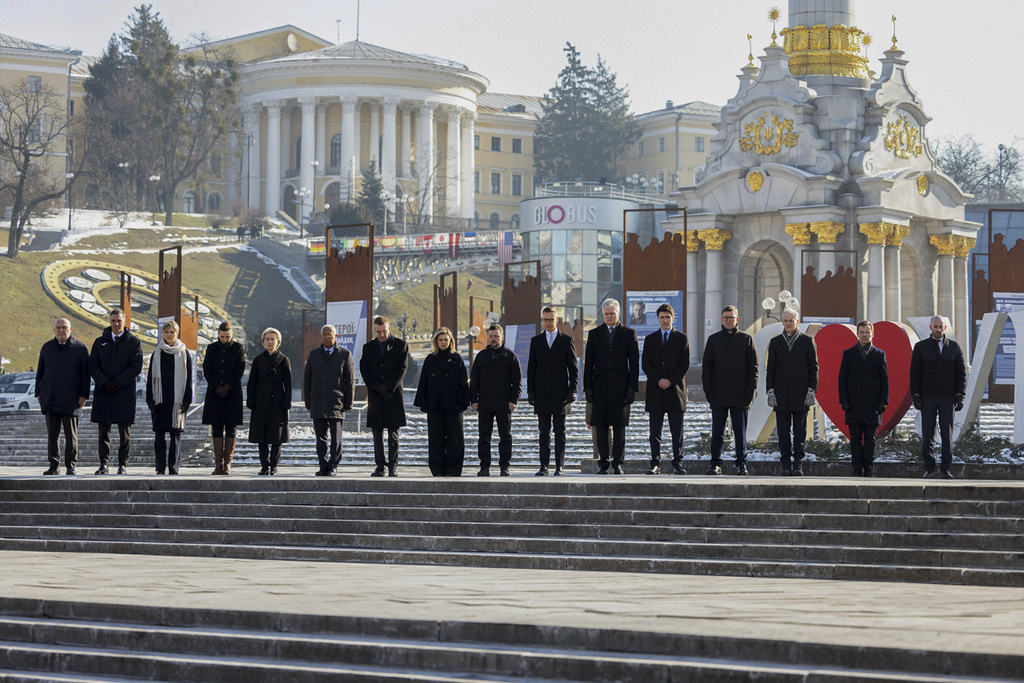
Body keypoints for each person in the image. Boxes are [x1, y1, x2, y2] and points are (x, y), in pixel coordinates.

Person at [583, 298, 639, 475]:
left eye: (612, 313)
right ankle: (603, 462)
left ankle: (618, 463)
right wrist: (588, 388)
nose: (609, 316)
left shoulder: (629, 334)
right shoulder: (594, 334)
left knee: (619, 426)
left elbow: (634, 364)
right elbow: (588, 363)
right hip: (599, 387)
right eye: (606, 314)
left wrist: (632, 388)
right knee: (600, 426)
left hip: (620, 388)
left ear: (619, 313)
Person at [701, 305, 758, 475]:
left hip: (740, 395)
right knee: (717, 432)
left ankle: (741, 464)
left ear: (737, 320)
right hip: (718, 395)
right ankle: (715, 464)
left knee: (740, 433)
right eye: (725, 317)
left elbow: (753, 367)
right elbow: (707, 368)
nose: (728, 320)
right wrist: (709, 391)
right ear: (721, 320)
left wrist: (750, 390)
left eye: (731, 317)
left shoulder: (746, 339)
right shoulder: (713, 340)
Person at [910, 315, 967, 478]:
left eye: (941, 326)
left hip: (947, 398)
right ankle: (929, 468)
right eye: (935, 326)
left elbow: (961, 374)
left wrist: (960, 395)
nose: (938, 329)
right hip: (927, 397)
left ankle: (945, 468)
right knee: (927, 433)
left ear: (945, 328)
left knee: (947, 434)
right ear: (930, 328)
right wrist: (916, 395)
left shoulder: (954, 348)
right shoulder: (921, 347)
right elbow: (914, 373)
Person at [88, 308, 143, 475]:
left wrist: (116, 384)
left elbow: (136, 367)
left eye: (119, 320)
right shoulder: (99, 342)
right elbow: (93, 365)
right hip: (103, 391)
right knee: (103, 431)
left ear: (124, 321)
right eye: (113, 320)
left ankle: (122, 465)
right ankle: (103, 465)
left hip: (124, 393)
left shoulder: (134, 342)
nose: (116, 324)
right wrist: (104, 382)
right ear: (109, 321)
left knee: (124, 432)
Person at [765, 308, 818, 476]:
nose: (788, 323)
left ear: (797, 321)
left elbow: (814, 369)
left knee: (800, 432)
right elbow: (770, 369)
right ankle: (785, 464)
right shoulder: (775, 342)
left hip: (801, 395)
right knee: (782, 432)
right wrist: (770, 391)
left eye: (791, 320)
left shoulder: (807, 341)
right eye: (785, 320)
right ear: (782, 322)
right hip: (781, 395)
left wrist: (811, 391)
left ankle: (798, 464)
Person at [527, 306, 578, 476]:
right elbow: (531, 369)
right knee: (543, 432)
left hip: (560, 395)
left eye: (551, 319)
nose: (548, 322)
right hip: (541, 394)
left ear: (557, 320)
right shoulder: (536, 341)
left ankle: (559, 466)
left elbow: (573, 369)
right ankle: (544, 466)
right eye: (545, 319)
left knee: (560, 432)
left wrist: (573, 390)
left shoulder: (566, 340)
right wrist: (531, 392)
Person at [36, 318, 90, 475]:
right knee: (52, 435)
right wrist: (38, 392)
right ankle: (54, 466)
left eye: (64, 327)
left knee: (71, 435)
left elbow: (86, 376)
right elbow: (40, 372)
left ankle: (70, 466)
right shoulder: (47, 347)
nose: (61, 330)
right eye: (58, 327)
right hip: (50, 398)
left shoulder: (80, 349)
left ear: (70, 329)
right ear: (53, 329)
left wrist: (83, 395)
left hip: (71, 399)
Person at [413, 327, 470, 476]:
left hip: (454, 404)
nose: (443, 342)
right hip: (435, 404)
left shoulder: (457, 358)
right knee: (436, 438)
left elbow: (463, 381)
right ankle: (437, 469)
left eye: (446, 339)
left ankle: (453, 469)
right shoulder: (430, 359)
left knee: (455, 438)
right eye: (440, 340)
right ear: (436, 341)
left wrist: (464, 401)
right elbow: (424, 381)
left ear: (450, 341)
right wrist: (423, 402)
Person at [641, 303, 690, 475]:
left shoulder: (682, 338)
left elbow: (685, 364)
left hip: (675, 391)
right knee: (655, 432)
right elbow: (645, 364)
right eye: (662, 317)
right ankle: (655, 463)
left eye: (668, 317)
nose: (665, 320)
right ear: (658, 319)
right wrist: (659, 380)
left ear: (673, 318)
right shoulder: (650, 339)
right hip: (656, 391)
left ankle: (678, 463)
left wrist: (670, 380)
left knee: (677, 432)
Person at [470, 324, 522, 476]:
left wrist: (514, 400)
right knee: (484, 437)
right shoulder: (481, 356)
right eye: (491, 336)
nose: (493, 339)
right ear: (488, 337)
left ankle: (504, 466)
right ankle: (484, 466)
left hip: (504, 403)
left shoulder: (511, 356)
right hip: (485, 403)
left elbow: (517, 381)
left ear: (502, 337)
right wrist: (474, 399)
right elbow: (474, 380)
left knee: (505, 437)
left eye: (496, 336)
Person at [838, 321, 889, 477]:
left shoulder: (879, 354)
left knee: (870, 439)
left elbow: (885, 380)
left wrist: (883, 401)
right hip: (853, 404)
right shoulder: (848, 353)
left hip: (873, 404)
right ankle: (856, 468)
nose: (865, 335)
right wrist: (843, 399)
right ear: (857, 333)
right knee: (855, 439)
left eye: (868, 332)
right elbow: (842, 379)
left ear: (872, 334)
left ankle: (868, 468)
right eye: (862, 332)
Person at [360, 316, 409, 477]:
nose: (381, 335)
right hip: (376, 395)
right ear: (374, 330)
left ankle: (393, 466)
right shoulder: (368, 347)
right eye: (378, 332)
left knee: (393, 434)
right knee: (377, 433)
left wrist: (388, 387)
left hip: (393, 395)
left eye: (384, 331)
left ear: (389, 329)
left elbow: (402, 369)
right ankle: (380, 465)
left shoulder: (400, 345)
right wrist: (377, 387)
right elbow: (364, 370)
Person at [304, 324, 354, 476]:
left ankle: (333, 465)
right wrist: (308, 402)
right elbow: (307, 380)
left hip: (336, 402)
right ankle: (323, 465)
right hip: (317, 402)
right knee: (320, 438)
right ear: (321, 336)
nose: (327, 337)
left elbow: (350, 381)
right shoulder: (313, 355)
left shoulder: (345, 354)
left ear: (336, 336)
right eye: (324, 334)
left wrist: (348, 403)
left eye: (330, 335)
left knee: (336, 438)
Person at [145, 320, 193, 475]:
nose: (169, 335)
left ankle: (174, 468)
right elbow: (151, 376)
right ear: (162, 334)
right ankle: (160, 468)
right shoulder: (156, 353)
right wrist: (150, 399)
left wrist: (187, 400)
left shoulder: (185, 353)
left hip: (177, 399)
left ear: (177, 333)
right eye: (167, 332)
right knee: (159, 435)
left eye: (172, 332)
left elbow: (189, 378)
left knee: (175, 435)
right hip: (160, 398)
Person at [201, 321, 246, 475]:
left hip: (232, 393)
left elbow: (239, 370)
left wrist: (227, 387)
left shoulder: (238, 348)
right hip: (215, 394)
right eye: (222, 336)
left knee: (231, 428)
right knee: (217, 427)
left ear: (231, 334)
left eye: (227, 337)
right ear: (218, 335)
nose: (224, 339)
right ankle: (217, 464)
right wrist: (216, 387)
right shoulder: (211, 348)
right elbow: (206, 370)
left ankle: (227, 464)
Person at [247, 327, 291, 475]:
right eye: (267, 339)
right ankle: (264, 466)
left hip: (278, 402)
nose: (270, 341)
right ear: (263, 342)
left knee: (277, 437)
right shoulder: (258, 360)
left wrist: (287, 402)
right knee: (262, 436)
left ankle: (274, 466)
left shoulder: (284, 360)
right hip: (261, 402)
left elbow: (288, 383)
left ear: (278, 341)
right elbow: (252, 382)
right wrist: (251, 400)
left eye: (273, 339)